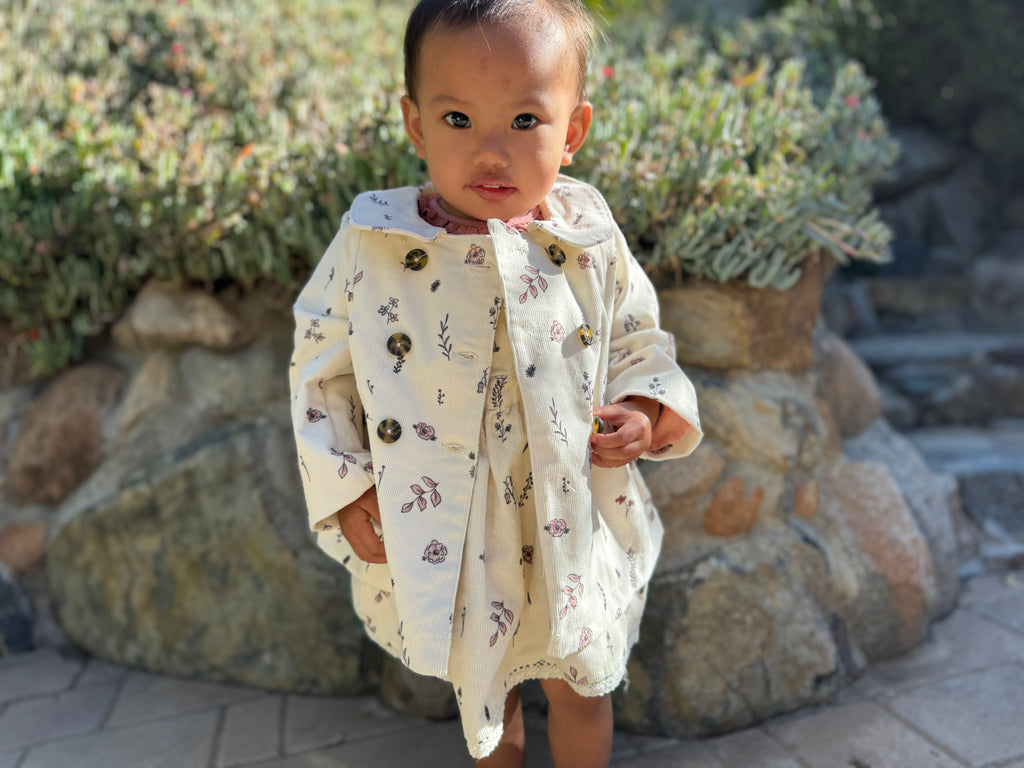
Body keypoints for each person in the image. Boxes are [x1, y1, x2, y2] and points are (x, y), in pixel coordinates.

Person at [289, 1, 702, 765]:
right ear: (414, 125)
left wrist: (646, 407)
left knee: (583, 682)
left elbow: (637, 336)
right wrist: (345, 485)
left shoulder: (585, 237)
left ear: (571, 132)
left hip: (566, 512)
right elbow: (319, 368)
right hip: (457, 517)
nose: (489, 152)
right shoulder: (375, 242)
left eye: (522, 122)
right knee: (487, 689)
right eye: (456, 120)